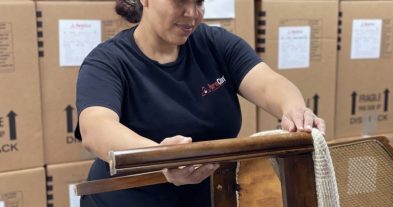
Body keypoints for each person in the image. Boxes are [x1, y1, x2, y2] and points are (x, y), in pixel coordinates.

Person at [75, 0, 326, 206]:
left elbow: (269, 82)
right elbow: (95, 128)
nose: (192, 14)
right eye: (181, 1)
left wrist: (294, 108)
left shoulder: (214, 44)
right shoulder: (108, 61)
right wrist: (161, 157)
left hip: (210, 199)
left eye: (199, 2)